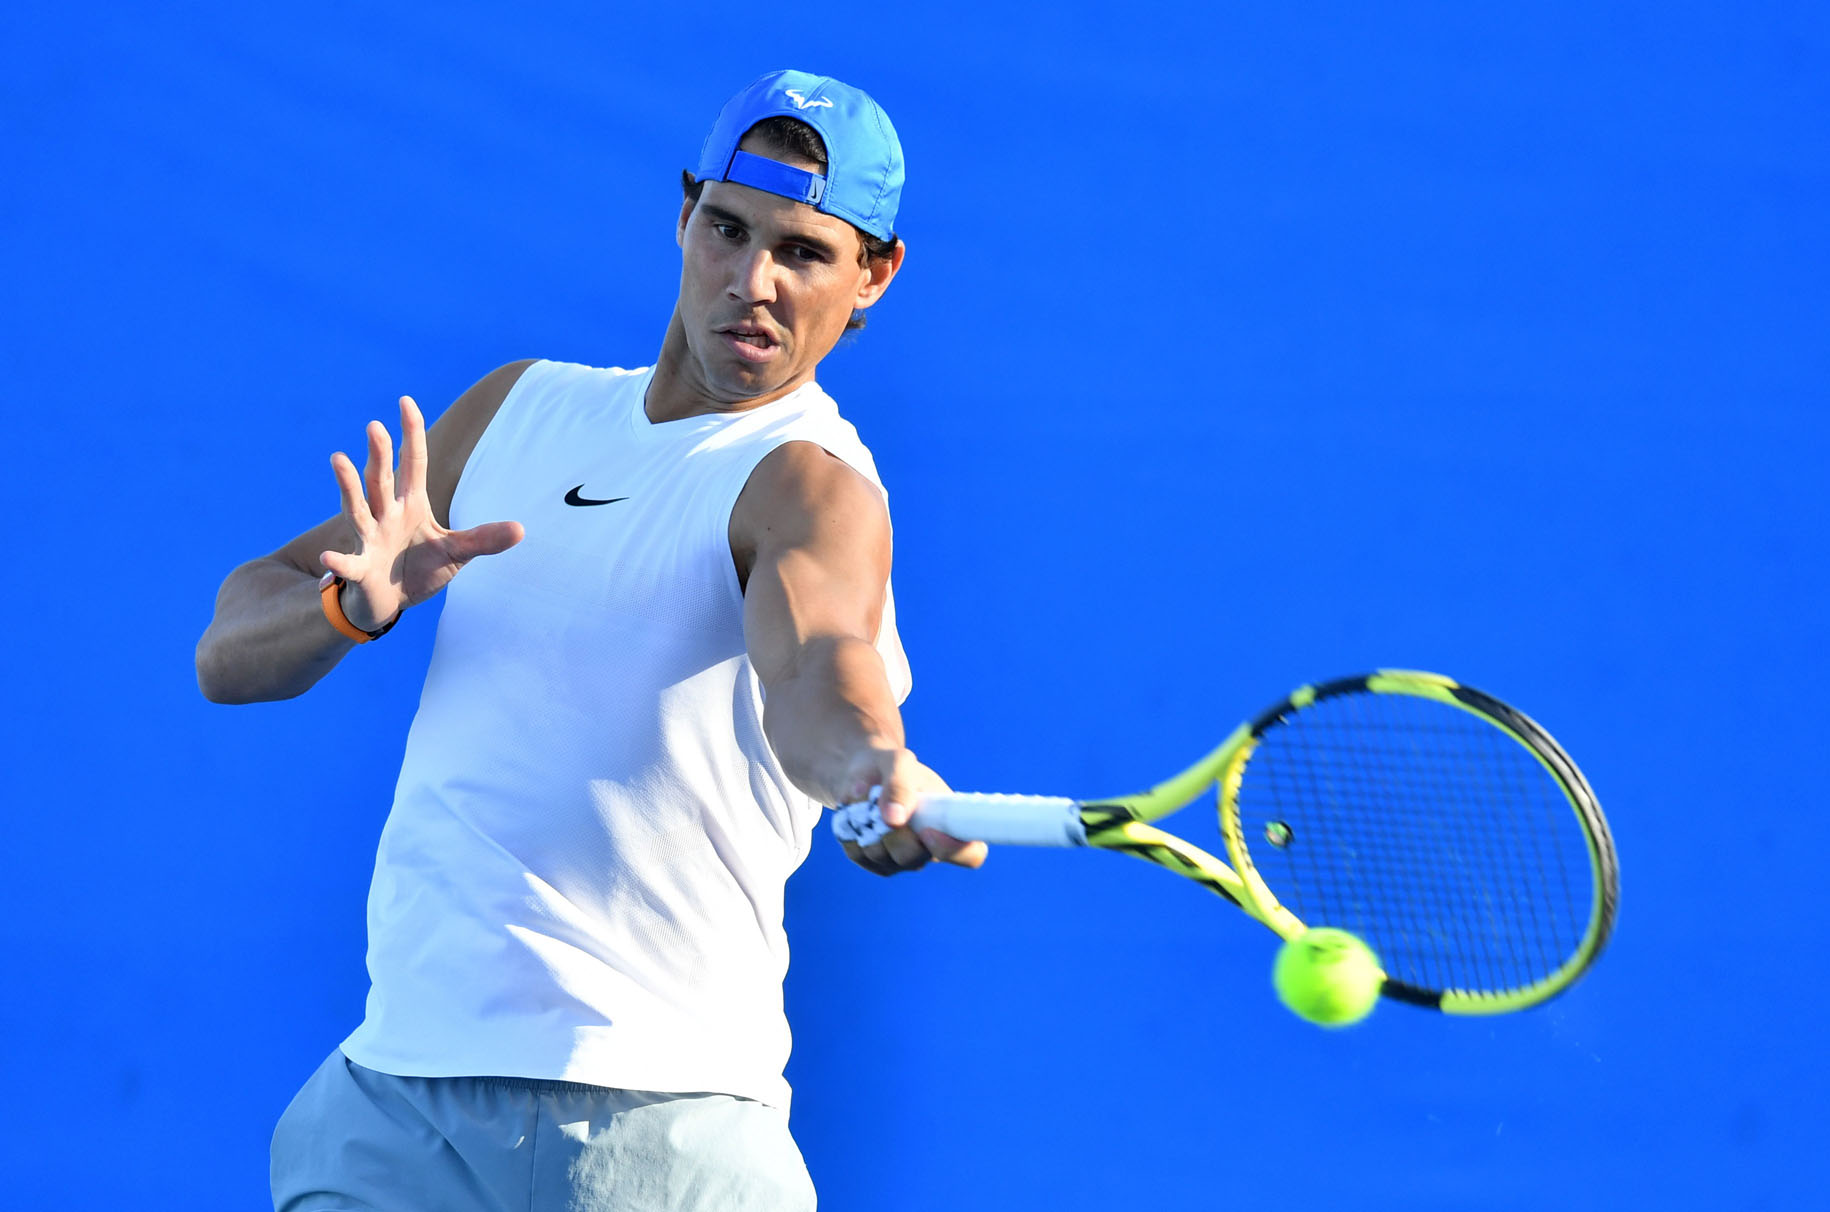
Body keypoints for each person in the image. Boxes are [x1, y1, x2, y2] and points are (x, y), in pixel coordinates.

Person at [195, 69, 984, 1212]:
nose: (752, 282)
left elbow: (819, 668)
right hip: (392, 1111)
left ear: (874, 274)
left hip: (653, 1134)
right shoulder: (517, 409)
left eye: (804, 253)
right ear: (684, 215)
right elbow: (226, 653)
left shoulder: (808, 485)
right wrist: (345, 609)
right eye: (727, 229)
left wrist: (869, 769)